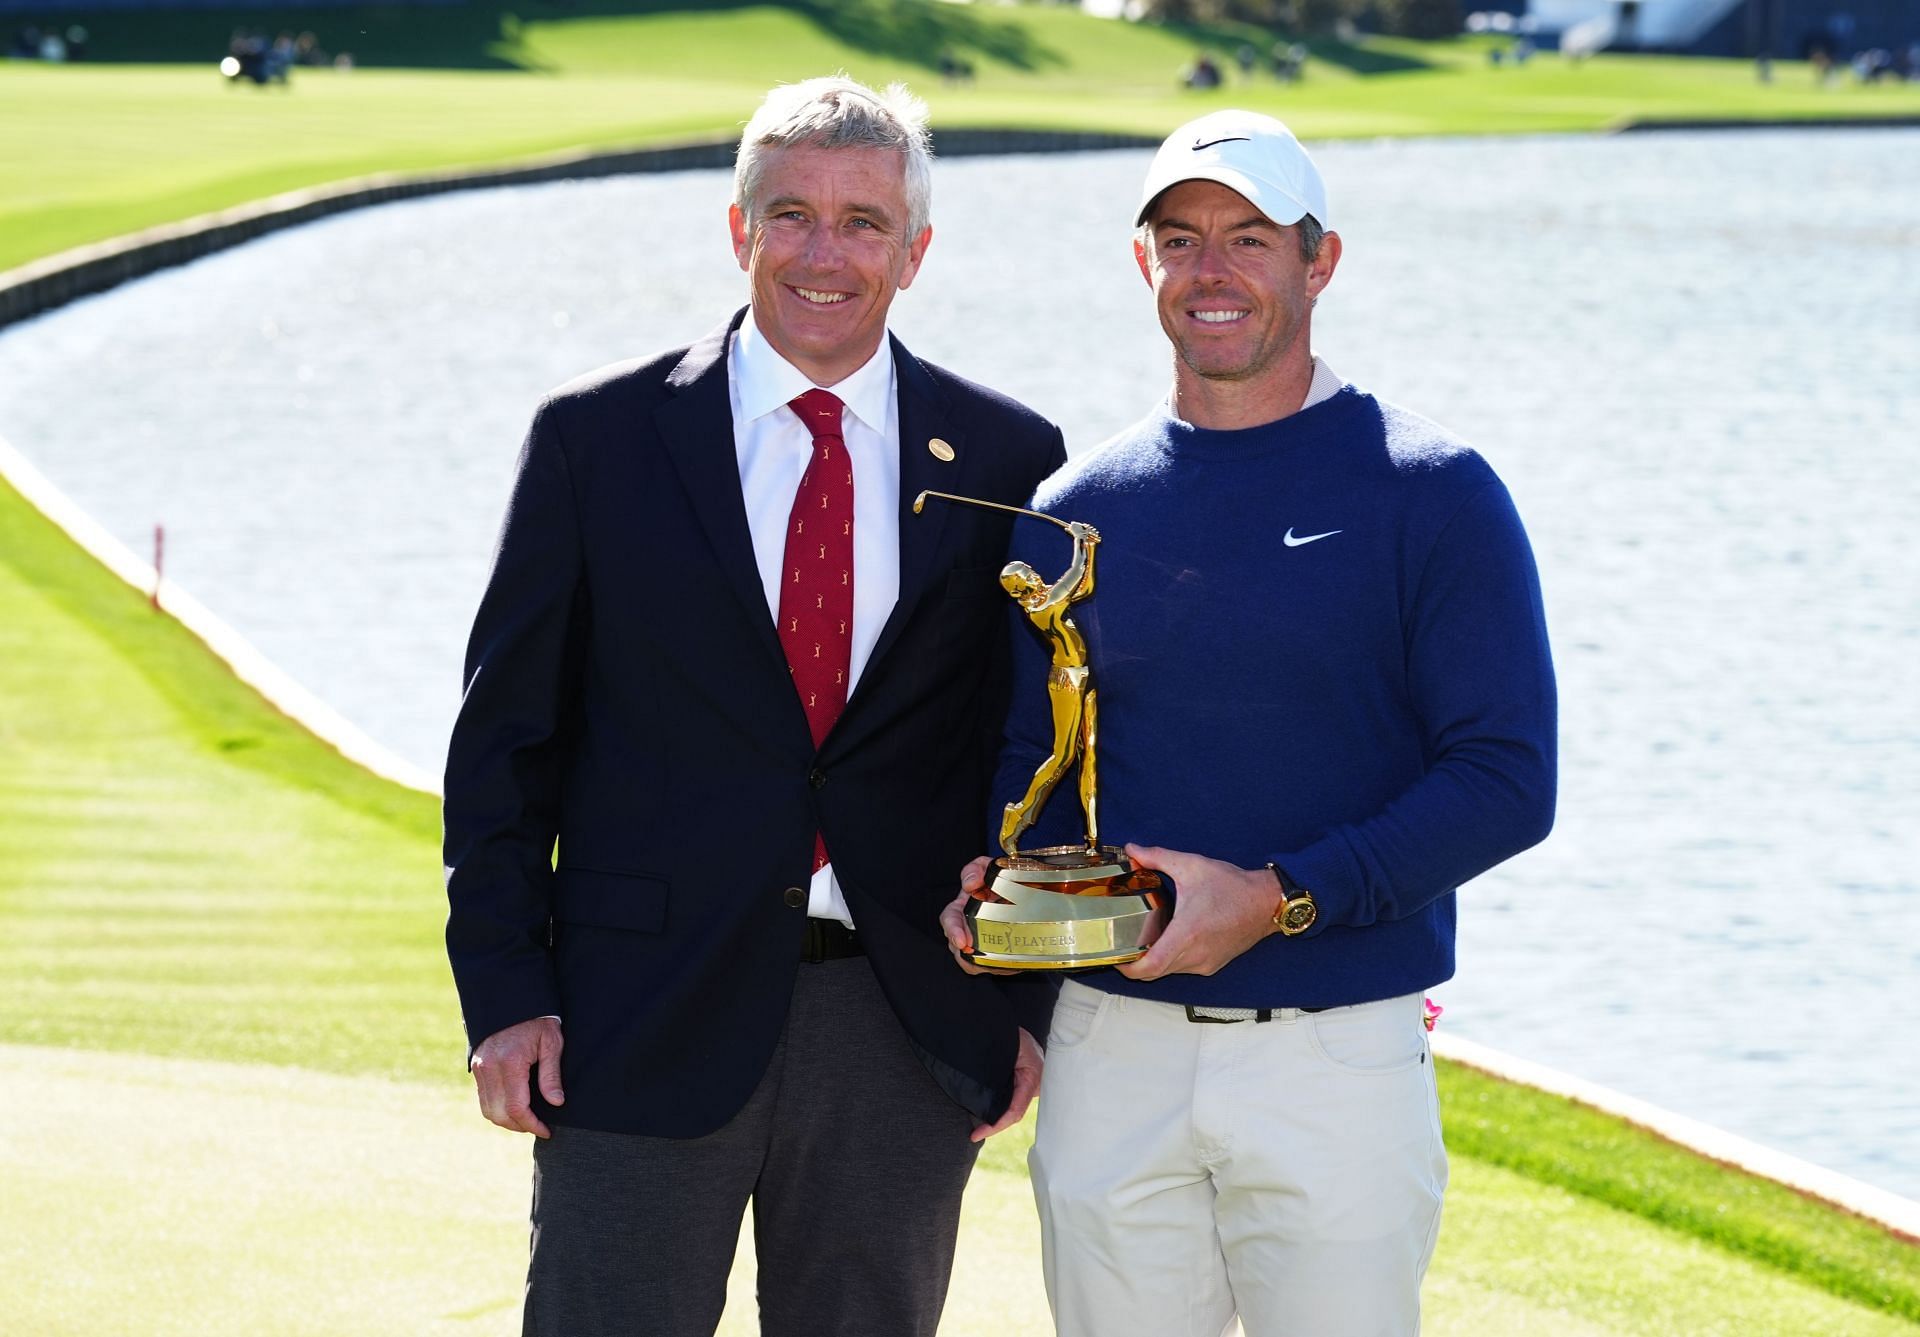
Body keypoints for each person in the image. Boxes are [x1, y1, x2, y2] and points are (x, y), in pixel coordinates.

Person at [444, 75, 1064, 1337]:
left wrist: (1023, 1001)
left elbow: (1037, 759)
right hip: (634, 1012)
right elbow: (505, 743)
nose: (824, 254)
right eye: (791, 215)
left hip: (903, 1025)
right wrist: (505, 987)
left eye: (863, 222)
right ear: (739, 232)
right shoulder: (597, 440)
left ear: (917, 250)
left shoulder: (1010, 462)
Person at [944, 109, 1557, 1336]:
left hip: (1335, 1061)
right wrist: (997, 899)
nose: (1210, 271)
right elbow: (1036, 764)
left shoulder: (1432, 491)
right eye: (1180, 240)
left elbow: (1505, 777)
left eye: (1250, 239)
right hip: (1111, 1047)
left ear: (1320, 261)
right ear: (1143, 264)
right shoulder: (1072, 511)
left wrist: (1281, 897)